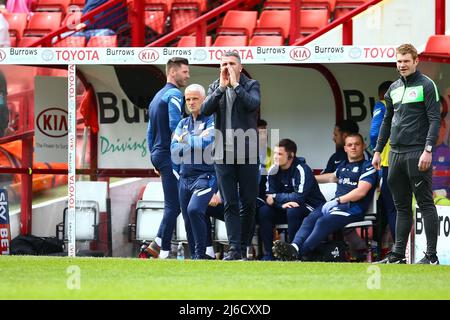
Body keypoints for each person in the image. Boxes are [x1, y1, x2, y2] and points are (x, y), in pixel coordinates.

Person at [373, 44, 441, 265]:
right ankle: (397, 255)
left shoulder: (426, 85)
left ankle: (431, 256)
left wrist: (428, 149)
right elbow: (386, 121)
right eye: (399, 61)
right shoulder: (393, 88)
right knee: (401, 206)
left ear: (416, 61)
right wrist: (377, 150)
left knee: (424, 203)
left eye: (406, 61)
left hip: (417, 152)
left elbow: (434, 120)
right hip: (395, 154)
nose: (402, 65)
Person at [272, 133, 377, 261]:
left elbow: (361, 192)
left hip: (353, 208)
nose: (353, 147)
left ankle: (299, 253)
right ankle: (294, 246)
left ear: (363, 146)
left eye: (357, 144)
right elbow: (331, 177)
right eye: (350, 145)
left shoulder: (367, 167)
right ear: (345, 148)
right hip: (336, 206)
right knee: (310, 219)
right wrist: (309, 178)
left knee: (322, 222)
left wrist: (338, 201)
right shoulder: (343, 166)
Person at [201, 51, 261, 260]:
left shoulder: (251, 85)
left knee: (249, 202)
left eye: (231, 63)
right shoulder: (215, 86)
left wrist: (235, 85)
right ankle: (234, 248)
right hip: (222, 153)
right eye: (224, 64)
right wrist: (221, 88)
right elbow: (204, 110)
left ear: (240, 67)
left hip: (247, 152)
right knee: (230, 202)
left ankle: (244, 246)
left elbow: (252, 105)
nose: (227, 67)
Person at [142, 57, 190, 259]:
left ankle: (158, 245)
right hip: (169, 156)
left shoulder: (157, 96)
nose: (188, 76)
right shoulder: (174, 94)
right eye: (185, 72)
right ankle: (162, 251)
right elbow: (176, 126)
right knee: (175, 205)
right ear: (173, 72)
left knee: (176, 204)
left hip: (161, 155)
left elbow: (149, 131)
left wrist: (155, 157)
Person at [259, 139, 325, 260]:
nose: (275, 157)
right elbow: (269, 197)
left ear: (291, 156)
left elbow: (299, 198)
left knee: (293, 209)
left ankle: (293, 253)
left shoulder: (302, 169)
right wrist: (281, 205)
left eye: (279, 154)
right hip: (285, 208)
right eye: (275, 153)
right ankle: (269, 254)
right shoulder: (273, 170)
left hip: (310, 207)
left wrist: (277, 197)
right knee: (264, 211)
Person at [170, 84, 216, 259]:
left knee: (194, 210)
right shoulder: (183, 122)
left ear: (204, 100)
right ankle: (197, 257)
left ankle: (201, 253)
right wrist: (194, 141)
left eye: (195, 98)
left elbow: (207, 144)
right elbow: (174, 150)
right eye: (188, 99)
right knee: (187, 219)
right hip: (184, 177)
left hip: (205, 176)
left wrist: (187, 139)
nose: (191, 102)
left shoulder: (212, 120)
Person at [320, 119, 371, 260]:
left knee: (331, 219)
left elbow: (366, 187)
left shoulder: (365, 159)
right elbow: (328, 177)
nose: (333, 138)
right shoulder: (336, 157)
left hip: (355, 205)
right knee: (318, 215)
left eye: (335, 135)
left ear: (344, 135)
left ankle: (355, 249)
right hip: (335, 204)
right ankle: (333, 251)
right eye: (350, 145)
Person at [369, 80, 396, 256]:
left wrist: (375, 150)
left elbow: (374, 132)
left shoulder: (382, 104)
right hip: (407, 160)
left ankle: (399, 250)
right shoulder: (404, 107)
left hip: (387, 163)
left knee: (392, 209)